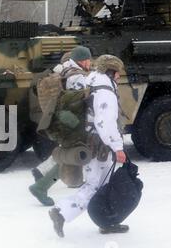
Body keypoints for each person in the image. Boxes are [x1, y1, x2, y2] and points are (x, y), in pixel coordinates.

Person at [49, 55, 127, 237]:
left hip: (90, 140)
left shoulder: (92, 81)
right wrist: (117, 147)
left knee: (96, 184)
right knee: (103, 184)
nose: (118, 77)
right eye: (117, 73)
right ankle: (105, 222)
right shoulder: (105, 91)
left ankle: (64, 212)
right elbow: (105, 123)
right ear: (110, 71)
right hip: (100, 144)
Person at [30, 46, 92, 206]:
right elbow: (80, 101)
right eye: (88, 60)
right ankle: (41, 186)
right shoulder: (77, 77)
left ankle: (43, 179)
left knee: (72, 155)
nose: (90, 63)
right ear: (81, 60)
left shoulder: (65, 69)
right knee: (72, 155)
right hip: (73, 122)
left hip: (64, 120)